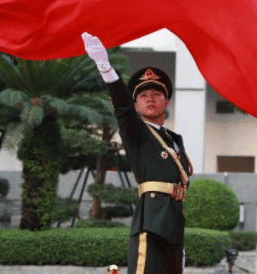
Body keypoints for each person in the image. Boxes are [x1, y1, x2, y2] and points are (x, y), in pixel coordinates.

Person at [82, 32, 193, 274]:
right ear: (136, 105)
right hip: (151, 224)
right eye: (143, 96)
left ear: (167, 102)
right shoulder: (137, 133)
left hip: (173, 226)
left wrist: (179, 245)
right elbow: (121, 107)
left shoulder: (174, 140)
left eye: (156, 94)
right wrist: (106, 68)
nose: (150, 99)